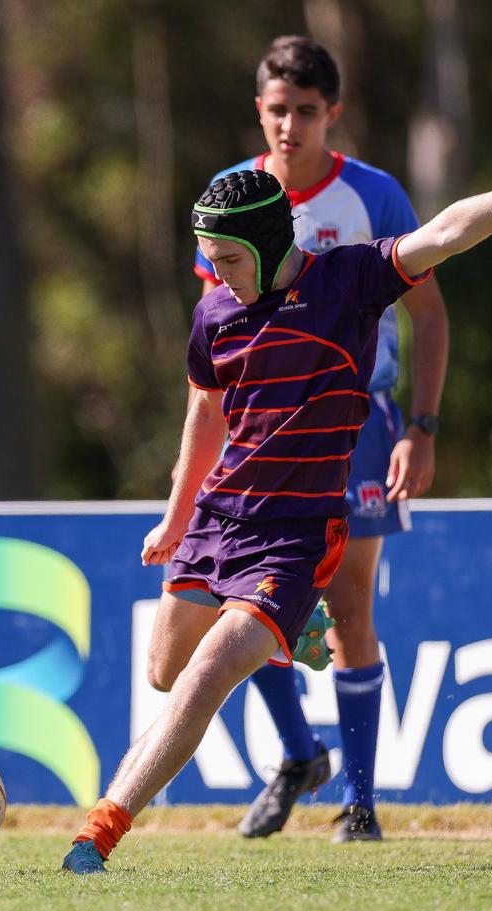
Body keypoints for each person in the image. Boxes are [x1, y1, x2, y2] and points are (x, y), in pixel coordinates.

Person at [62, 161, 492, 873]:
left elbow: (444, 233)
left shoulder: (348, 281)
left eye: (229, 259)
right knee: (165, 671)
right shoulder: (213, 316)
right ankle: (301, 625)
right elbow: (204, 417)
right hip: (217, 517)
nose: (218, 273)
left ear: (265, 243)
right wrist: (174, 519)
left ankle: (95, 837)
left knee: (205, 679)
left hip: (296, 536)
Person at [192, 36, 450, 842]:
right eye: (278, 110)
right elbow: (213, 338)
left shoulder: (374, 196)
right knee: (239, 600)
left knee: (346, 609)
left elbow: (431, 314)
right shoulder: (234, 195)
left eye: (307, 112)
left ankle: (362, 804)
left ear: (331, 114)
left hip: (360, 423)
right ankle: (301, 753)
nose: (290, 126)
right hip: (263, 431)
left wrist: (422, 426)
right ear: (260, 109)